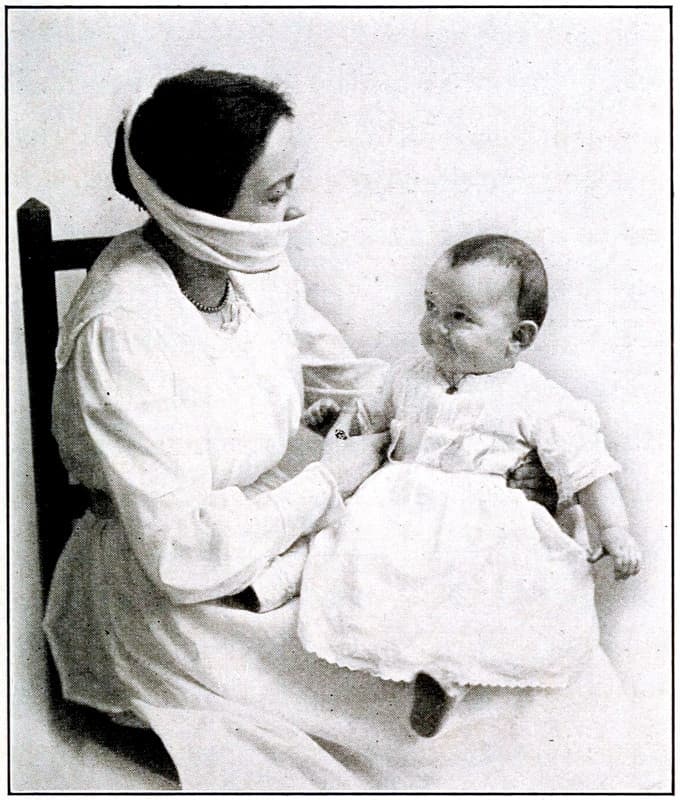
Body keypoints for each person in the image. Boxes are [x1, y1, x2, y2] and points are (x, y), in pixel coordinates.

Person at [42, 69, 638, 791]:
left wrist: (478, 435)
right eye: (274, 193)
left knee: (490, 643)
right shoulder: (121, 331)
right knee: (438, 695)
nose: (294, 207)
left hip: (270, 535)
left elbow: (348, 378)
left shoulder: (250, 265)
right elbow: (180, 555)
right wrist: (329, 480)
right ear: (205, 207)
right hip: (174, 595)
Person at [297, 234, 642, 738]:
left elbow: (587, 468)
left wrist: (614, 529)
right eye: (431, 307)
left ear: (518, 338)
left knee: (473, 589)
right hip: (399, 506)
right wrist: (336, 428)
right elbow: (362, 420)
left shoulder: (537, 399)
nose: (435, 327)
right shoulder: (407, 375)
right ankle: (362, 639)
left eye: (459, 318)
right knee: (360, 558)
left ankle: (445, 678)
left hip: (484, 521)